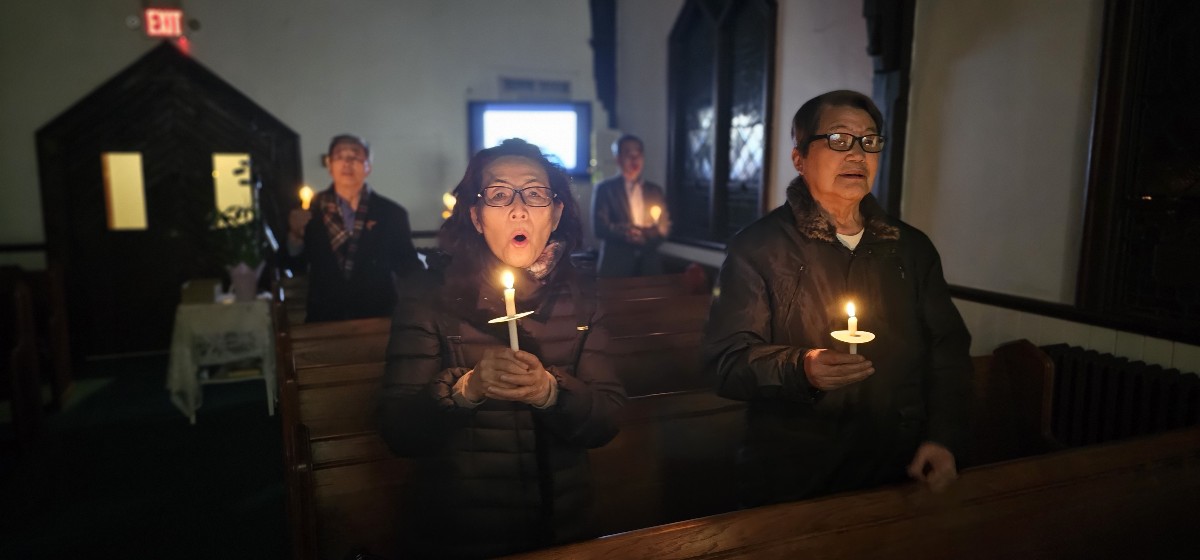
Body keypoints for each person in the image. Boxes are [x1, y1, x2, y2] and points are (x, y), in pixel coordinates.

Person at [703, 90, 973, 507]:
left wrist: (943, 437)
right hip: (796, 468)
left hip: (899, 464)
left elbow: (947, 349)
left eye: (869, 140)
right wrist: (801, 367)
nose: (857, 154)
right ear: (799, 158)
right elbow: (726, 362)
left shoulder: (910, 248)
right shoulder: (758, 248)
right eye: (839, 139)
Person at [380, 138, 626, 558]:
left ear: (556, 213)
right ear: (476, 217)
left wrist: (552, 393)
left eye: (535, 194)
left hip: (563, 525)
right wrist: (464, 391)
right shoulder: (428, 298)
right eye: (498, 195)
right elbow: (400, 432)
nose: (519, 209)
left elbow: (607, 419)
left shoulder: (583, 298)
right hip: (461, 532)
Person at [282, 134, 424, 322]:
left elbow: (407, 264)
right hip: (325, 318)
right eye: (340, 156)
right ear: (329, 165)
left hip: (378, 317)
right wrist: (295, 236)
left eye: (355, 157)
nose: (347, 163)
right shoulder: (309, 212)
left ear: (368, 167)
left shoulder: (391, 213)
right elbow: (292, 265)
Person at [592, 134, 671, 276]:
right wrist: (626, 234)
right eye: (628, 153)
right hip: (616, 266)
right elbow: (599, 228)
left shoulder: (655, 190)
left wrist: (646, 238)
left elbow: (663, 227)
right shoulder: (605, 189)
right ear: (618, 159)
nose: (634, 158)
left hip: (649, 266)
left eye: (638, 153)